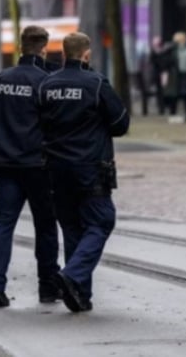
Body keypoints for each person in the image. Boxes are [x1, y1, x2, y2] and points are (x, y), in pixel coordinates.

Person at [39, 32, 130, 313]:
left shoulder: (46, 85)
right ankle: (73, 276)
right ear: (87, 54)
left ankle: (79, 295)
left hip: (56, 168)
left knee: (72, 228)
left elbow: (39, 122)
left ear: (64, 53)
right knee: (101, 221)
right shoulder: (96, 83)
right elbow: (120, 123)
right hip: (90, 167)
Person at [0, 26, 61, 308]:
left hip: (5, 163)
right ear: (43, 49)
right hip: (38, 165)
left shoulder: (0, 79)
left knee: (3, 223)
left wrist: (1, 146)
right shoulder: (46, 82)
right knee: (45, 226)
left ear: (20, 47)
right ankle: (47, 286)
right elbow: (52, 126)